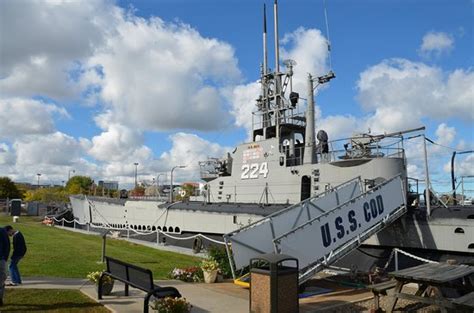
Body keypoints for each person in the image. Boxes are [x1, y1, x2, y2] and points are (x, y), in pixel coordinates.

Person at [0, 226, 10, 306]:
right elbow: (7, 245)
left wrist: (4, 258)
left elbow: (7, 245)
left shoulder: (2, 231)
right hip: (2, 259)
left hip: (1, 259)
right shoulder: (3, 231)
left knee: (1, 280)